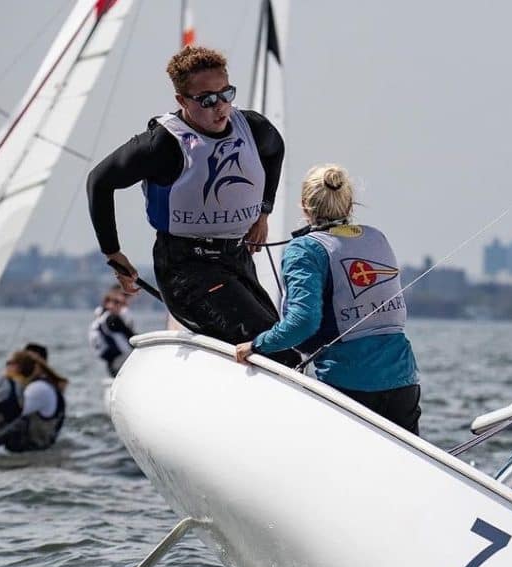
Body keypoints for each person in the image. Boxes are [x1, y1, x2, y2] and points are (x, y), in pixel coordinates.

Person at [86, 45, 298, 366]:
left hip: (235, 257)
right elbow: (99, 181)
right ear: (182, 101)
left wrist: (263, 213)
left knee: (281, 342)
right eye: (207, 100)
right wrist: (113, 253)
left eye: (226, 94)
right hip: (186, 267)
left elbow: (275, 150)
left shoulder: (252, 128)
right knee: (275, 352)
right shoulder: (162, 145)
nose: (221, 107)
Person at [234, 164, 421, 434]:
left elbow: (303, 322)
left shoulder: (305, 249)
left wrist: (256, 345)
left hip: (349, 385)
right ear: (349, 204)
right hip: (404, 381)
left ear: (304, 207)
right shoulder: (376, 238)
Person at [0, 346, 68, 452]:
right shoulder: (32, 386)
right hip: (27, 451)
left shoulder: (40, 388)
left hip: (35, 453)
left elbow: (10, 411)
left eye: (13, 363)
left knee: (14, 421)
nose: (8, 368)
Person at [89, 285, 136, 376]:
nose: (121, 306)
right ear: (107, 304)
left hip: (113, 364)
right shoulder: (112, 319)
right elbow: (132, 338)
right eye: (117, 302)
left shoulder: (102, 318)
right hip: (119, 363)